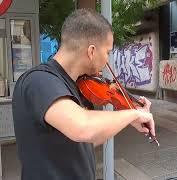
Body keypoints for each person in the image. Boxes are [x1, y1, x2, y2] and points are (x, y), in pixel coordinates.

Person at [12, 9, 156, 180]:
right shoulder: (39, 81)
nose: (107, 60)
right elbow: (83, 127)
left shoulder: (76, 86)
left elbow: (88, 140)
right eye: (107, 52)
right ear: (91, 51)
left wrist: (129, 119)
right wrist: (133, 113)